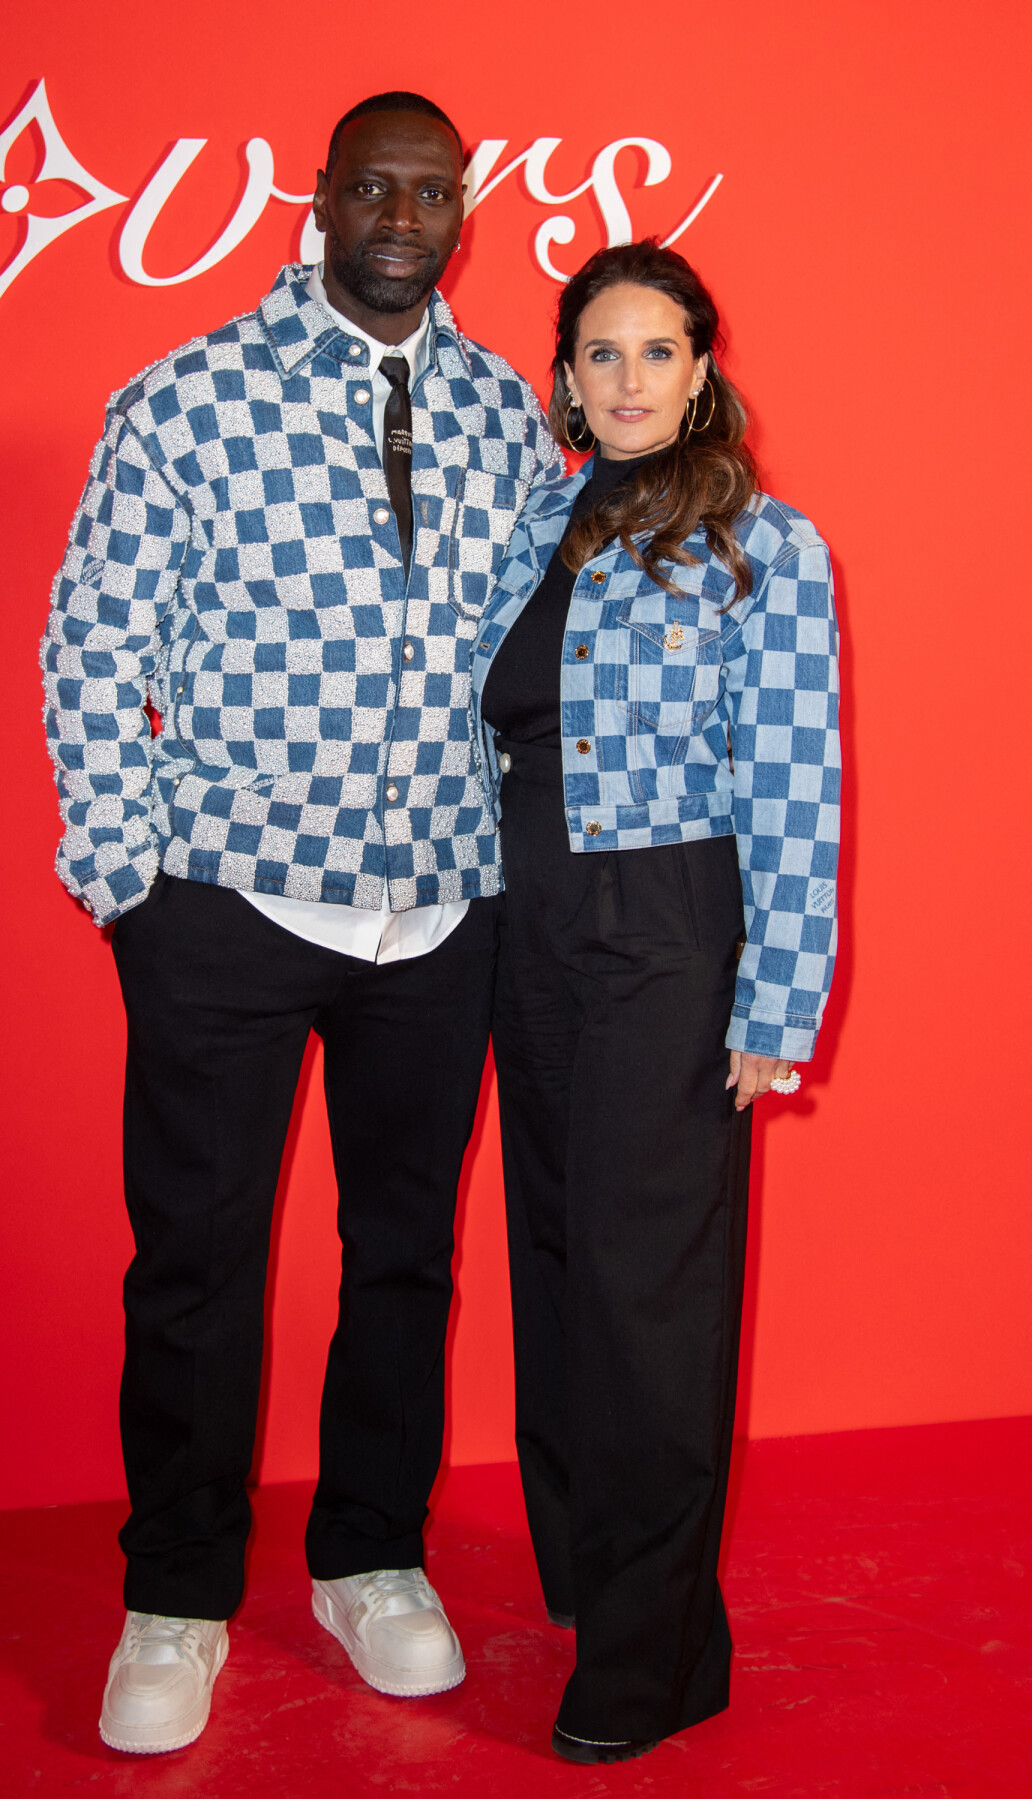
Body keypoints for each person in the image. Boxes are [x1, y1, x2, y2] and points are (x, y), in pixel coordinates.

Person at [41, 90, 559, 1755]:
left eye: (435, 191)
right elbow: (92, 643)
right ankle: (175, 1594)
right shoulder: (185, 401)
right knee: (197, 1264)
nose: (404, 215)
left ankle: (370, 1557)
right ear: (320, 197)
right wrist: (130, 882)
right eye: (376, 186)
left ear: (462, 213)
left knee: (403, 1253)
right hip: (231, 908)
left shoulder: (498, 412)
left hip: (440, 915)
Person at [471, 241, 839, 1764]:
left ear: (704, 372)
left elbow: (796, 779)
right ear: (566, 378)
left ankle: (658, 1655)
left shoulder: (767, 541)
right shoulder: (532, 529)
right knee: (554, 1257)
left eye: (657, 351)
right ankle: (586, 1575)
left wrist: (778, 999)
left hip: (674, 924)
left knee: (647, 1295)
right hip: (526, 917)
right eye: (600, 354)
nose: (627, 379)